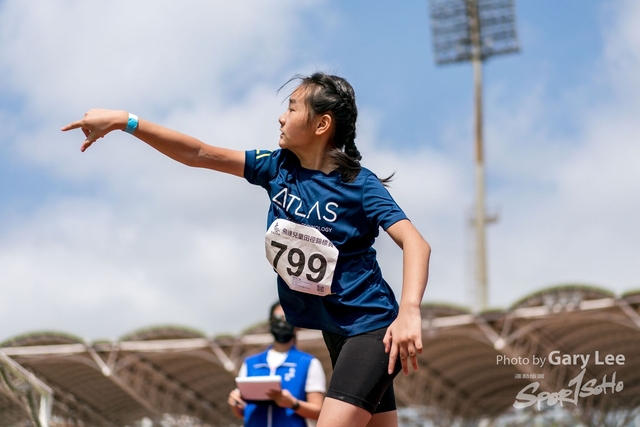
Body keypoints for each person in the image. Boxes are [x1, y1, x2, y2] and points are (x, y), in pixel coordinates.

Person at [62, 72, 431, 427]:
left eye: (292, 108)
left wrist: (409, 311)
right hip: (337, 330)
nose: (280, 116)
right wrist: (127, 121)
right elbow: (199, 153)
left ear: (322, 125)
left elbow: (415, 243)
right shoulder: (276, 168)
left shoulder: (359, 185)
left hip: (373, 327)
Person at [228, 302, 325, 427]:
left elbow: (318, 412)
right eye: (277, 318)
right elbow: (241, 412)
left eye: (286, 319)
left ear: (297, 325)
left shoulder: (309, 363)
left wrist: (293, 404)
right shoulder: (250, 363)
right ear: (270, 322)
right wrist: (234, 404)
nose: (281, 323)